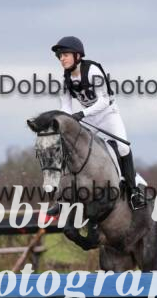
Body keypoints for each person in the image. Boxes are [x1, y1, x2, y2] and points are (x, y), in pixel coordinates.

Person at [49, 35, 146, 213]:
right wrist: (65, 122)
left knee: (123, 148)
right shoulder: (65, 80)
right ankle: (63, 198)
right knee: (68, 148)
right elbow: (65, 107)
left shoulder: (93, 71)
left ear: (77, 56)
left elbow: (103, 101)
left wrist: (81, 114)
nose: (61, 59)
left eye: (65, 55)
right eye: (60, 56)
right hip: (88, 118)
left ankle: (134, 192)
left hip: (108, 114)